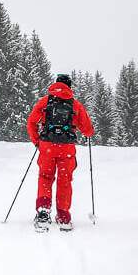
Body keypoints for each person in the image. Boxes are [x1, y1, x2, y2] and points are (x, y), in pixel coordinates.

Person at [26, 74, 93, 231]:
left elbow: (31, 123)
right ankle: (63, 215)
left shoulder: (44, 102)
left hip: (47, 148)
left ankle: (43, 211)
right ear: (69, 86)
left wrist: (37, 141)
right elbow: (88, 130)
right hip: (67, 150)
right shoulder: (75, 105)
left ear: (56, 84)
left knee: (45, 178)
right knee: (64, 180)